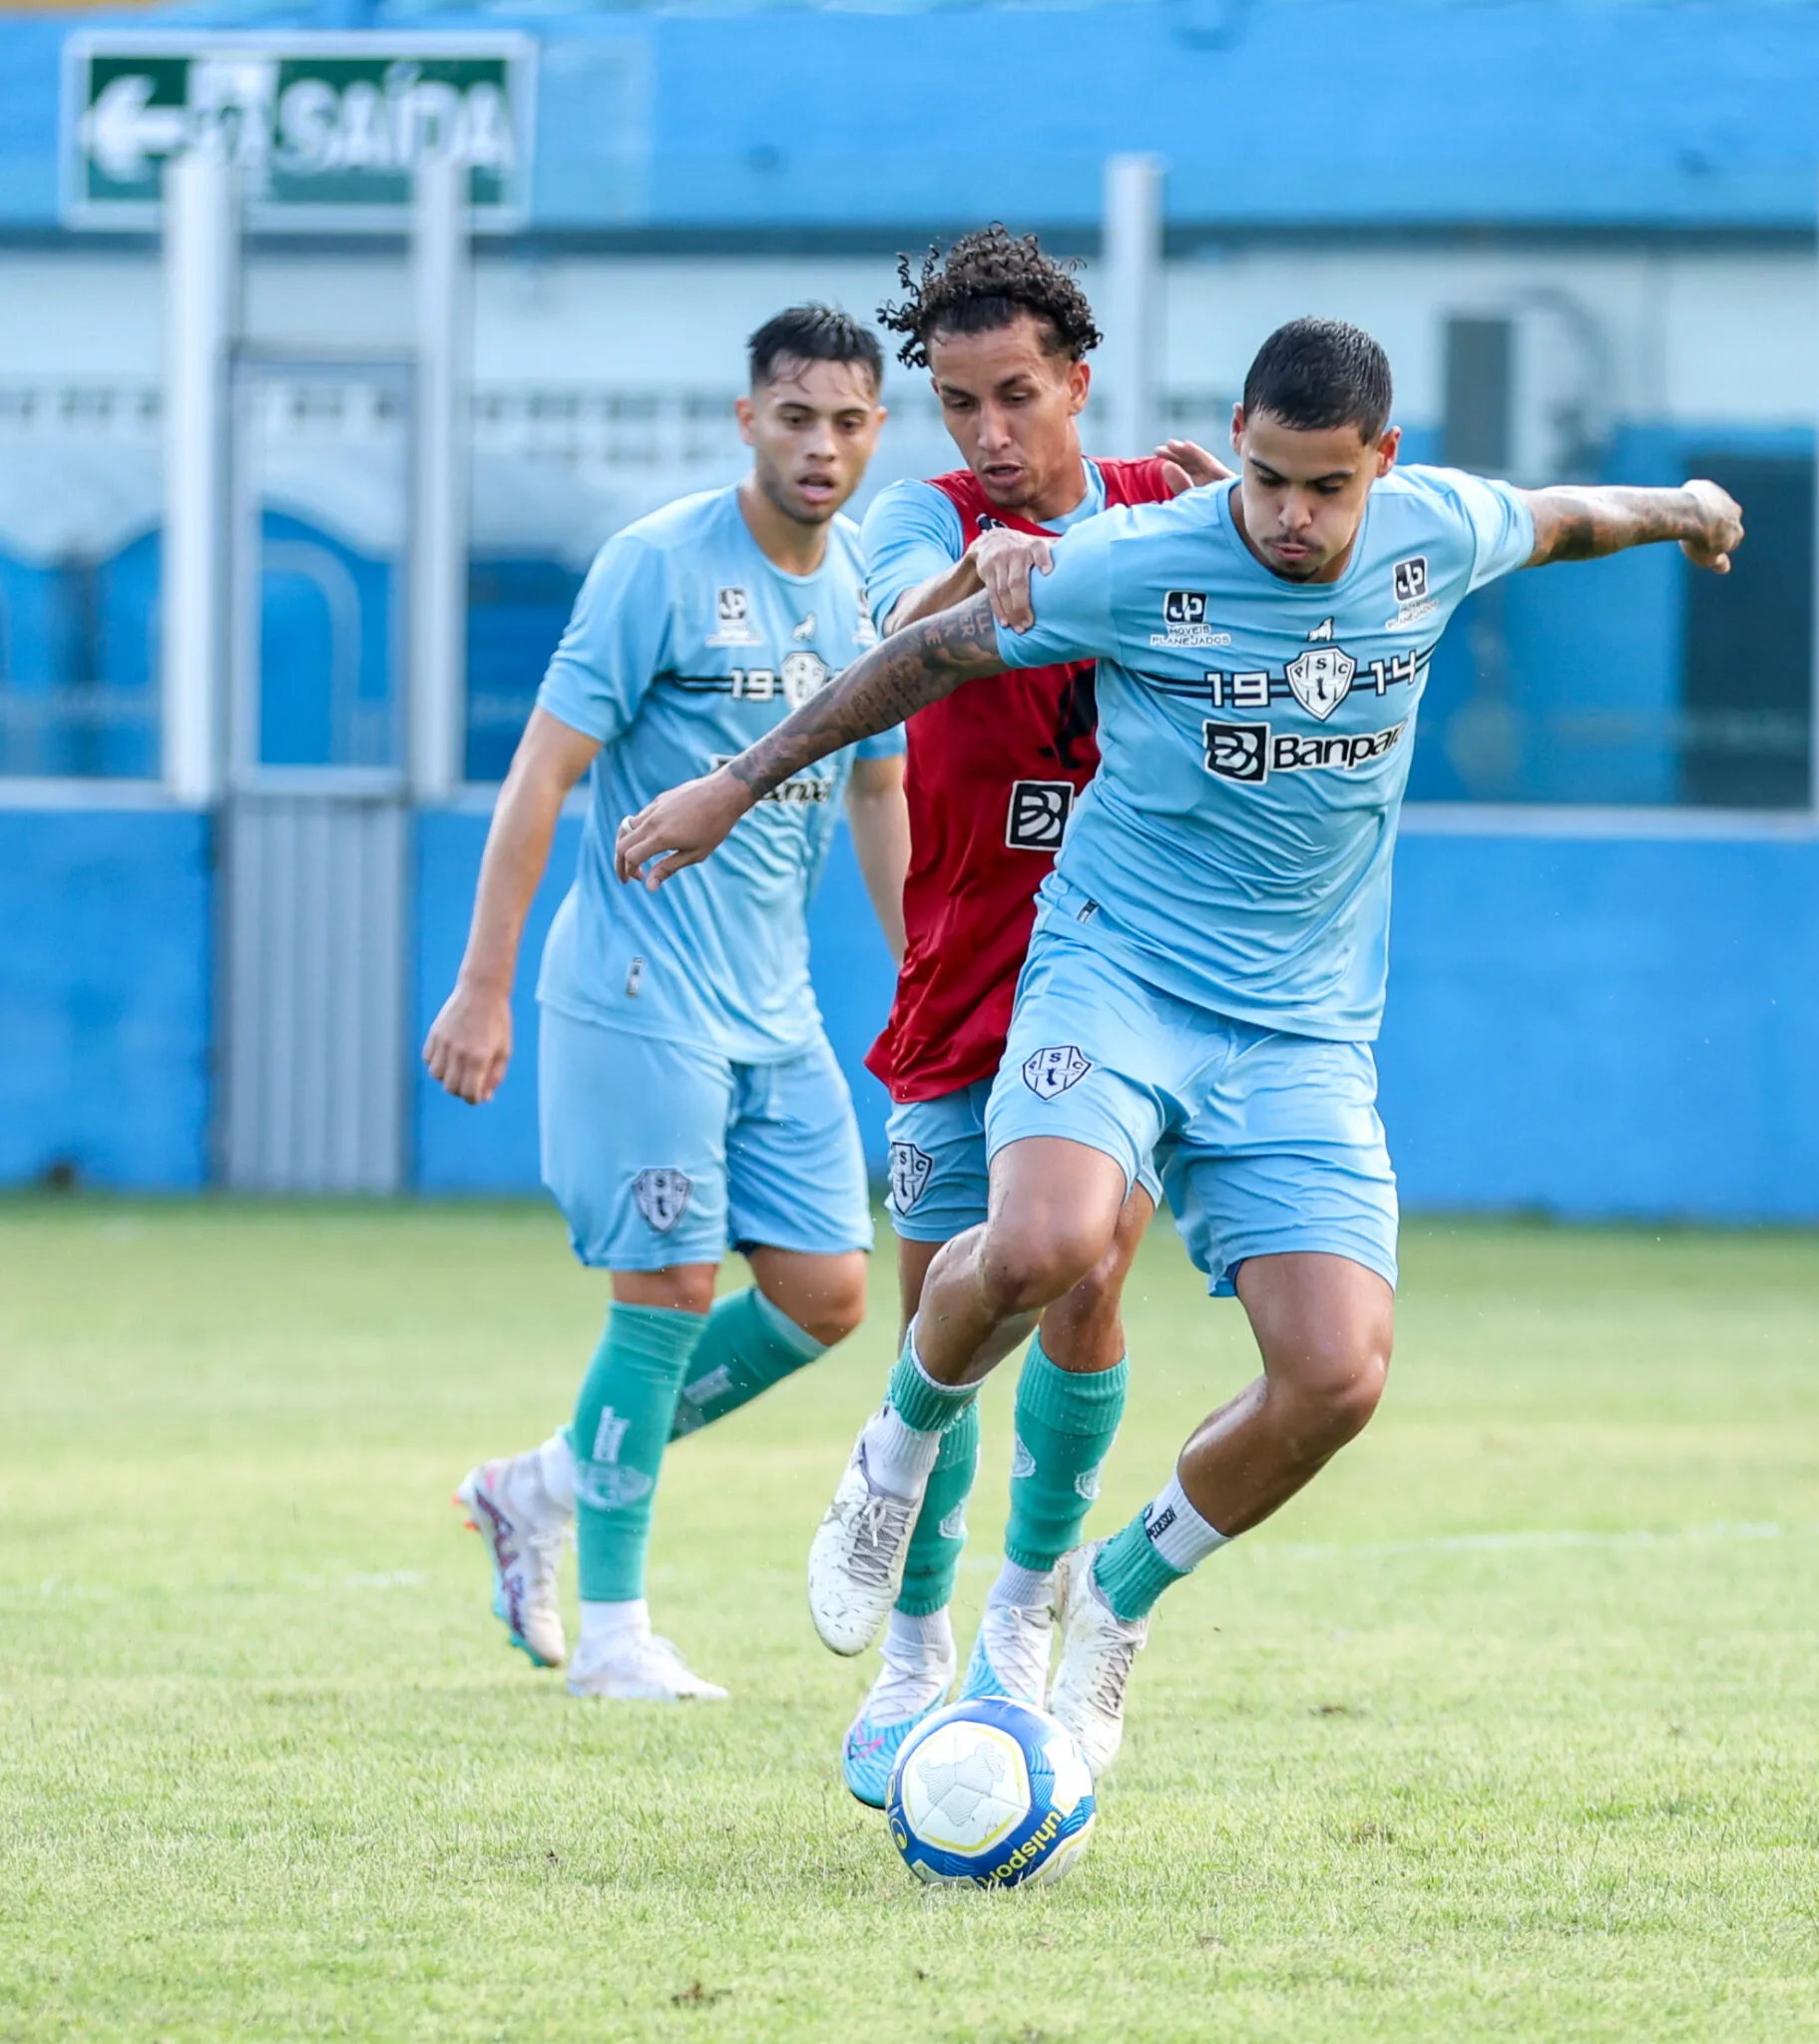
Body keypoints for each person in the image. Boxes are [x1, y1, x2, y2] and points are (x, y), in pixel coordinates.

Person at [614, 316, 1744, 1773]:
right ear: (1240, 444)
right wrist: (736, 778)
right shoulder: (1151, 553)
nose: (1285, 516)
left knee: (1337, 1378)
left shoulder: (1435, 530)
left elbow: (1567, 518)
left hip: (1304, 1031)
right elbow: (925, 659)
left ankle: (1115, 1595)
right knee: (1039, 1248)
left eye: (1323, 489)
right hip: (1117, 974)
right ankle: (894, 1457)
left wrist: (1684, 512)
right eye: (1265, 479)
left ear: (1381, 468)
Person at [428, 304, 907, 1701]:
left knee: (825, 1297)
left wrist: (920, 978)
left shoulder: (867, 586)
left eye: (849, 423)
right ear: (747, 419)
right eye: (797, 417)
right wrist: (481, 985)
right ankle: (618, 1635)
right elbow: (542, 777)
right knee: (671, 1294)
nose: (822, 447)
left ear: (877, 434)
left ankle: (546, 1484)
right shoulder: (656, 567)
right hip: (637, 989)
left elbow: (879, 791)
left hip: (775, 1005)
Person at [832, 227, 1223, 1799]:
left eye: (1014, 397)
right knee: (951, 1317)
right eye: (958, 405)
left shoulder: (1164, 507)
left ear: (1078, 382)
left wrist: (1237, 522)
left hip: (1115, 983)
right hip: (961, 982)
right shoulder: (919, 522)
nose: (988, 436)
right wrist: (976, 576)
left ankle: (1022, 1617)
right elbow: (889, 643)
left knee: (1083, 1286)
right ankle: (913, 1643)